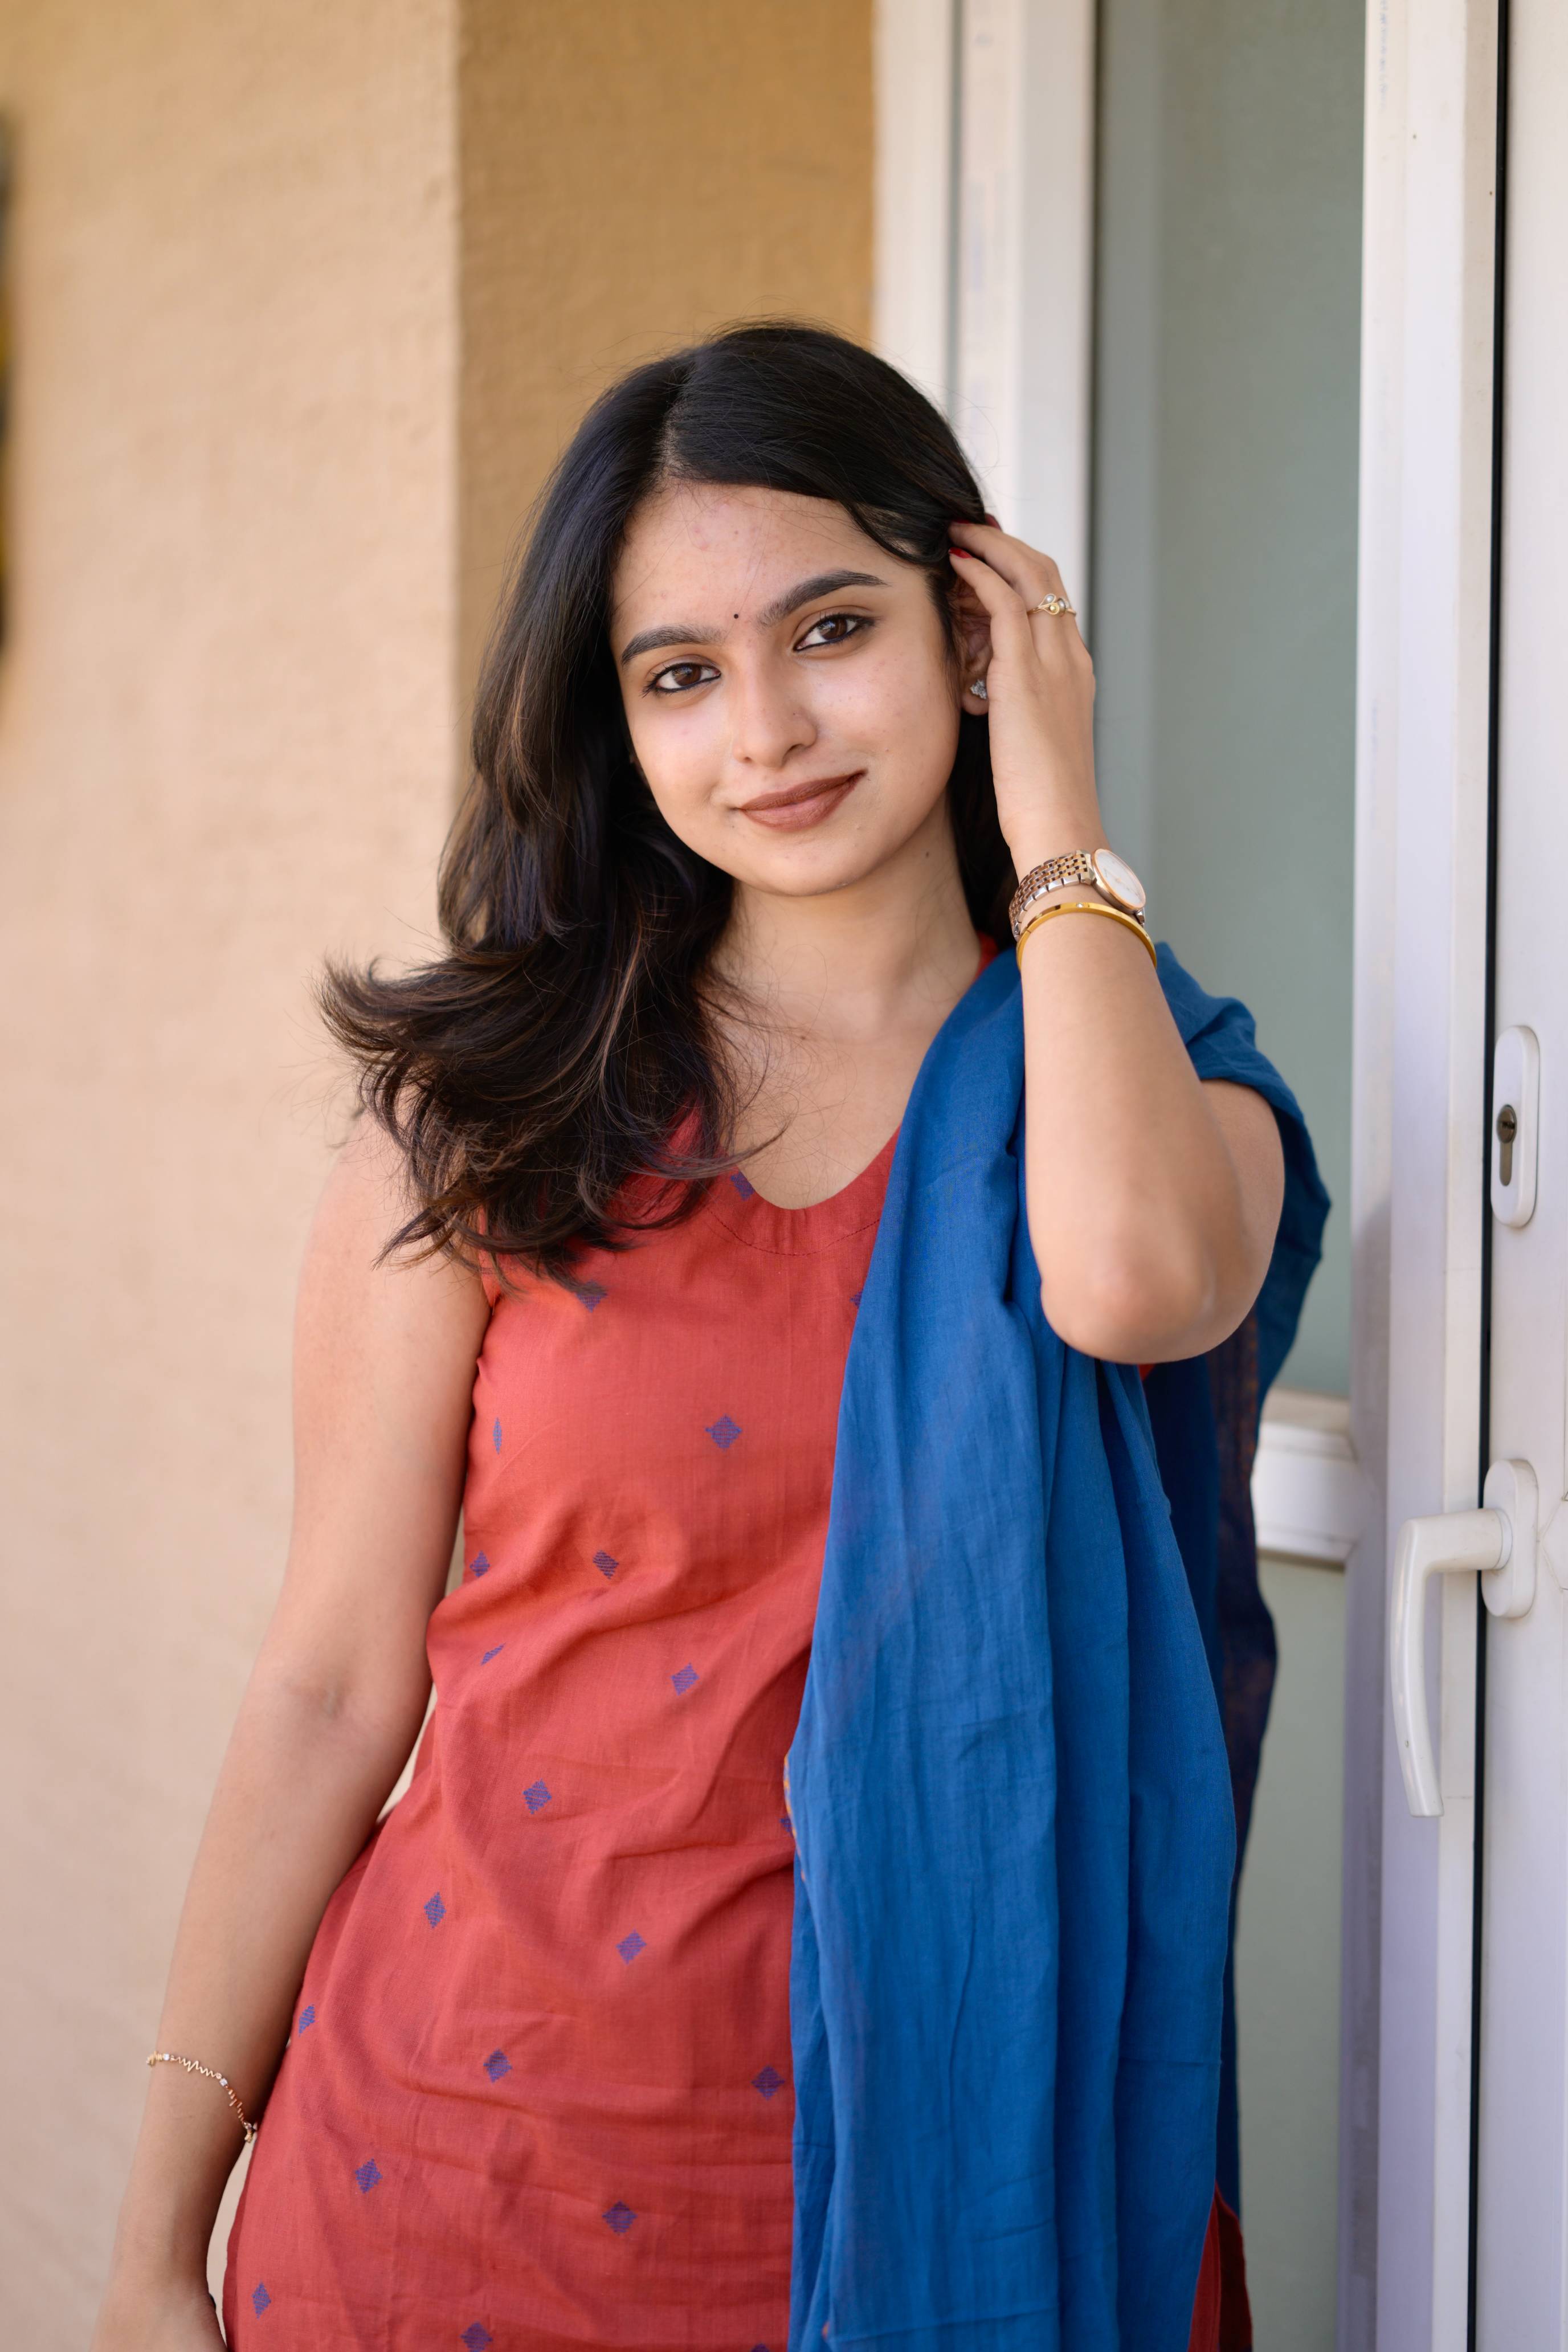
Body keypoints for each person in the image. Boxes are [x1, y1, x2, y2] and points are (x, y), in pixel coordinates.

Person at [92, 322, 1314, 2352]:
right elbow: (327, 1686)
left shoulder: (1162, 1083)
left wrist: (1060, 824)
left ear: (974, 624)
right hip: (460, 2161)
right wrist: (151, 2237)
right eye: (680, 674)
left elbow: (1124, 1280)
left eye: (832, 628)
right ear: (620, 724)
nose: (768, 729)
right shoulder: (489, 1110)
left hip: (977, 2182)